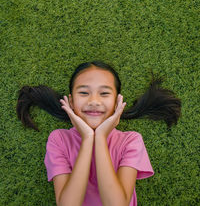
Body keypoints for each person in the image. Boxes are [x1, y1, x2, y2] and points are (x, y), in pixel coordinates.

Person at [16, 61, 181, 206]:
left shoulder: (131, 141)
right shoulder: (59, 139)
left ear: (117, 103)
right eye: (83, 93)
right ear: (71, 102)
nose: (94, 101)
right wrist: (88, 139)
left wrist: (100, 138)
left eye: (104, 93)